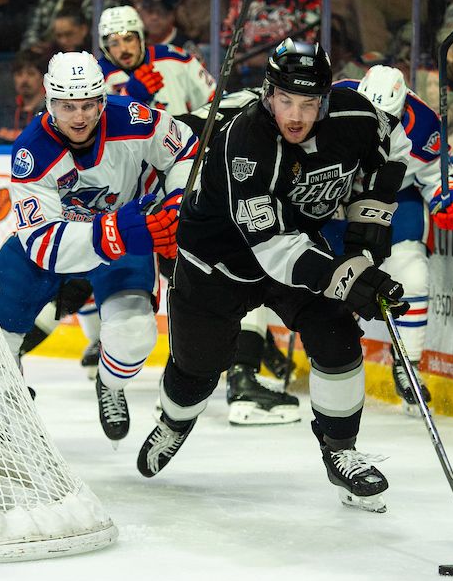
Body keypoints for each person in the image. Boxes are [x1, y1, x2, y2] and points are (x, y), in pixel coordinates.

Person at [135, 39, 411, 514]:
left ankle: (340, 452)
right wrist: (347, 279)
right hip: (217, 260)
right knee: (197, 369)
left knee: (337, 332)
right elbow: (272, 249)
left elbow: (389, 159)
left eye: (309, 102)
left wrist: (362, 252)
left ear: (327, 98)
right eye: (286, 100)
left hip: (294, 243)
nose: (297, 115)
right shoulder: (246, 141)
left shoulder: (359, 117)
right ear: (268, 94)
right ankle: (175, 421)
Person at [0, 50, 196, 444]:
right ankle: (3, 412)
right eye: (66, 107)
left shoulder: (133, 118)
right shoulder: (32, 151)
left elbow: (185, 149)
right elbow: (43, 243)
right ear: (49, 103)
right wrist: (122, 232)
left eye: (88, 105)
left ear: (102, 99)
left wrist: (177, 200)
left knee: (135, 336)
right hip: (81, 237)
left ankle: (110, 385)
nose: (79, 118)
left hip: (129, 232)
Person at [336, 65, 453, 410]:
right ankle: (334, 360)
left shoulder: (425, 125)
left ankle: (406, 364)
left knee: (411, 274)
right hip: (338, 199)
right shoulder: (333, 100)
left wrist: (450, 197)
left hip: (396, 199)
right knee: (337, 279)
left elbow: (438, 176)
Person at [96, 5, 215, 114]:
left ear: (141, 38)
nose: (123, 49)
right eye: (114, 43)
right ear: (106, 48)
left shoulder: (174, 57)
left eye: (128, 39)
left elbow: (213, 101)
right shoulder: (97, 75)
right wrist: (128, 98)